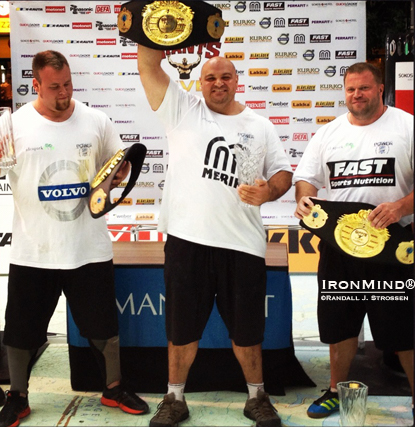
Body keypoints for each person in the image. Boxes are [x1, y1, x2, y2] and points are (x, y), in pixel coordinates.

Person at [137, 44, 293, 427]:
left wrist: (269, 192)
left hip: (243, 244)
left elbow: (284, 174)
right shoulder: (182, 109)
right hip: (187, 241)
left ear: (237, 81)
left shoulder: (260, 126)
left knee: (247, 332)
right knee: (181, 328)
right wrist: (154, 26)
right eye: (210, 77)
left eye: (226, 77)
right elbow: (146, 64)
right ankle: (174, 398)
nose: (218, 83)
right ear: (200, 82)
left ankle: (257, 396)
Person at [0, 50, 149, 427]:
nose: (63, 92)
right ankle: (17, 396)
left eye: (67, 84)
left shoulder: (96, 120)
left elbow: (118, 164)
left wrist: (119, 173)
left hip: (88, 248)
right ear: (35, 84)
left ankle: (113, 388)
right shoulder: (12, 127)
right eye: (54, 87)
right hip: (34, 250)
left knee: (104, 327)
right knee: (20, 330)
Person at [293, 62, 414, 420]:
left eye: (363, 88)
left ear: (380, 90)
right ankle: (334, 390)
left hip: (394, 247)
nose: (356, 95)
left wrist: (401, 206)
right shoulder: (328, 133)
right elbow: (306, 180)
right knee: (339, 322)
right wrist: (304, 198)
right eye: (350, 89)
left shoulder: (407, 126)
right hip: (340, 246)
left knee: (403, 327)